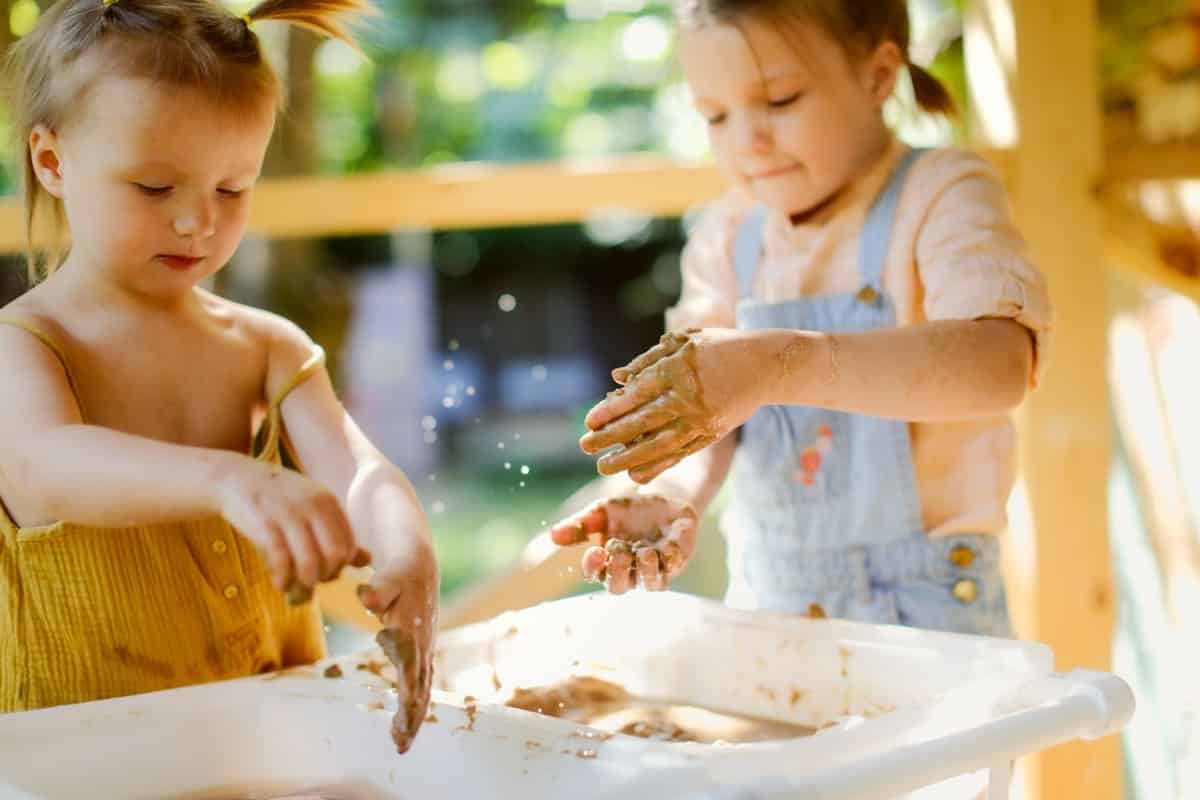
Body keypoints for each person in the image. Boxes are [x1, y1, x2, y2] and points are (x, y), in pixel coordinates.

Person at [0, 0, 436, 751]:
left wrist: (406, 551)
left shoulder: (265, 345)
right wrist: (230, 479)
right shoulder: (29, 345)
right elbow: (44, 467)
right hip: (78, 769)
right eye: (154, 188)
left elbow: (358, 472)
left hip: (270, 753)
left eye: (232, 189)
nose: (198, 221)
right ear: (52, 160)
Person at [552, 0, 1052, 637]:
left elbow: (1000, 366)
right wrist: (671, 493)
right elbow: (707, 417)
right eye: (714, 116)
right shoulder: (726, 236)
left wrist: (777, 364)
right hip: (771, 606)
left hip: (927, 617)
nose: (747, 141)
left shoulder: (941, 192)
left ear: (877, 76)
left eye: (781, 100)